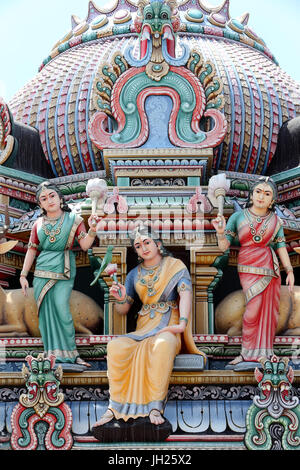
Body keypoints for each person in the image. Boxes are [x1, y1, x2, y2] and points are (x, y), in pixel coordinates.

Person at [93, 226, 205, 427]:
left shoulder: (175, 266)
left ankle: (155, 406)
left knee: (162, 344)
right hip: (143, 328)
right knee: (115, 346)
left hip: (168, 325)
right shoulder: (134, 274)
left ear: (158, 245)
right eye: (138, 245)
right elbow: (123, 309)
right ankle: (115, 406)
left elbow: (185, 293)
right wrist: (119, 298)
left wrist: (181, 325)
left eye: (147, 242)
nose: (143, 248)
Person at [212, 176, 294, 365]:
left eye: (267, 194)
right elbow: (224, 247)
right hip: (248, 263)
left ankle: (264, 352)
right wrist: (219, 232)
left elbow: (281, 246)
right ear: (251, 194)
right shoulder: (238, 217)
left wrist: (289, 270)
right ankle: (246, 353)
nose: (261, 196)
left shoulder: (275, 220)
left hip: (269, 265)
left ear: (272, 200)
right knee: (252, 310)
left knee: (269, 311)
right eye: (258, 191)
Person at [19, 181, 100, 367]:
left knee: (62, 310)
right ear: (40, 204)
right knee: (46, 314)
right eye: (44, 198)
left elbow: (85, 245)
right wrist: (23, 275)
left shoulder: (74, 220)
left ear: (60, 198)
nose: (49, 201)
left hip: (63, 267)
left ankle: (72, 354)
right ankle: (51, 353)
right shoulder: (38, 224)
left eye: (52, 196)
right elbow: (31, 250)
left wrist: (93, 230)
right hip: (41, 271)